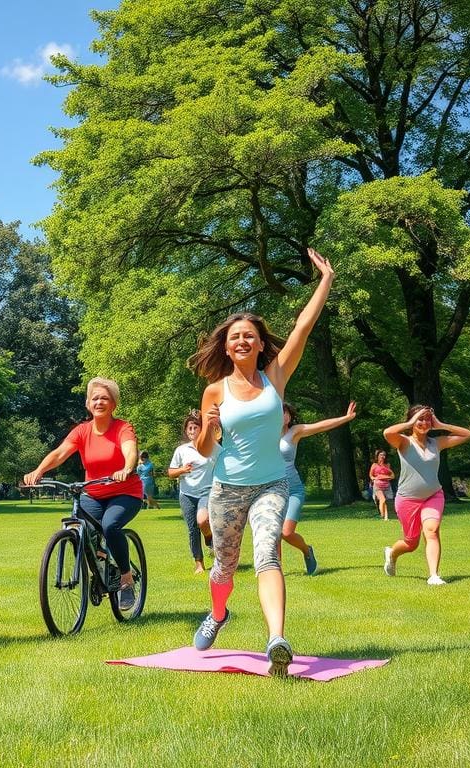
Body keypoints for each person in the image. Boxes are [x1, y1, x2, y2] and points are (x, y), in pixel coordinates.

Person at [187, 247, 334, 677]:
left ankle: (276, 640)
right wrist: (210, 427)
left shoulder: (277, 376)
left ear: (258, 342)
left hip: (272, 484)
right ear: (227, 348)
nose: (242, 340)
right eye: (235, 337)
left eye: (249, 334)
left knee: (269, 553)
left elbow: (303, 328)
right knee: (224, 567)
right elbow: (202, 452)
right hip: (227, 488)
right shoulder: (215, 390)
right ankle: (217, 615)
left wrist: (324, 279)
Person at [23, 377, 144, 611]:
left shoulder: (122, 428)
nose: (99, 402)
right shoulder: (82, 431)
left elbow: (130, 450)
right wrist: (38, 470)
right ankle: (102, 563)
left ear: (113, 405)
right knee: (83, 527)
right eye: (95, 398)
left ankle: (126, 579)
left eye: (105, 398)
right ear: (88, 404)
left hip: (125, 492)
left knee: (110, 526)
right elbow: (60, 454)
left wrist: (127, 468)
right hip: (93, 492)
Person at [382, 405, 470, 585]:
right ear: (412, 422)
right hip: (407, 499)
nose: (424, 422)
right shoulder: (404, 442)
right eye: (419, 419)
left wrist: (440, 424)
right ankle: (391, 553)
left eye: (427, 418)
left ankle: (434, 575)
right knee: (411, 543)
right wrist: (410, 421)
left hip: (433, 495)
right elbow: (387, 433)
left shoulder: (436, 443)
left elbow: (467, 434)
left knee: (432, 531)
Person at [279, 401, 357, 575]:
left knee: (286, 532)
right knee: (273, 533)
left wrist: (345, 418)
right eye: (280, 412)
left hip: (293, 490)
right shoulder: (265, 434)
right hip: (272, 490)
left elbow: (320, 426)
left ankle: (307, 550)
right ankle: (275, 570)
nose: (284, 415)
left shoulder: (295, 432)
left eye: (286, 412)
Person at [168, 411, 215, 574]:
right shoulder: (182, 450)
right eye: (190, 428)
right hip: (187, 494)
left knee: (202, 522)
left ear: (201, 430)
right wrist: (182, 469)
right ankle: (199, 563)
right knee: (192, 529)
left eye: (196, 427)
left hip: (206, 492)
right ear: (186, 431)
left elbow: (225, 461)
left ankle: (209, 538)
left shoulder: (211, 446)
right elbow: (170, 472)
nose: (193, 431)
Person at [369, 450, 395, 521]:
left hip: (387, 486)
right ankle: (382, 515)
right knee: (382, 500)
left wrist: (385, 476)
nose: (383, 456)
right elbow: (371, 475)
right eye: (381, 455)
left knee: (387, 501)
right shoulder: (374, 465)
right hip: (378, 486)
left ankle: (386, 518)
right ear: (377, 456)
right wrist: (374, 478)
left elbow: (392, 475)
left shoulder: (387, 465)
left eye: (384, 455)